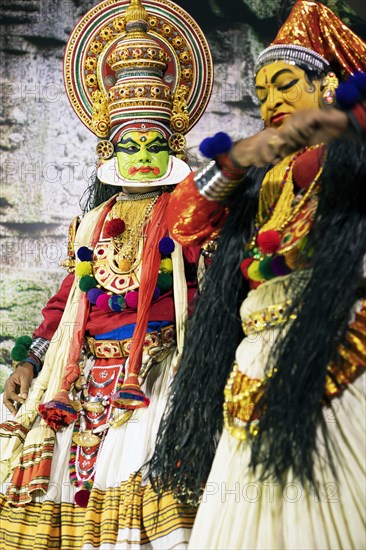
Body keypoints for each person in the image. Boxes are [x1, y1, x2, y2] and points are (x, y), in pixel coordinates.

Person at [150, 1, 366, 548]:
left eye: (285, 83)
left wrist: (331, 131)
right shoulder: (259, 176)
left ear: (330, 83)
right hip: (255, 360)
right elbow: (182, 224)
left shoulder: (351, 156)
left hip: (340, 346)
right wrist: (243, 156)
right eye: (261, 92)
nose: (271, 100)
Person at [0, 1, 213, 548]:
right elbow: (66, 300)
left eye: (155, 145)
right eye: (130, 145)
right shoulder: (90, 225)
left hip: (159, 368)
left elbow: (212, 287)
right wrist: (29, 358)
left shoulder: (192, 214)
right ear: (108, 150)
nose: (142, 156)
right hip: (83, 374)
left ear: (175, 148)